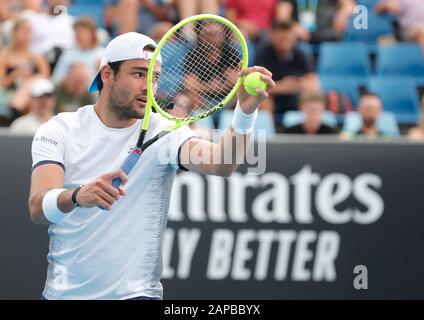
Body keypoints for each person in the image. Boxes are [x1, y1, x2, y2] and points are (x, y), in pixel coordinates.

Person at [28, 32, 275, 300]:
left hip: (137, 295)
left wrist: (245, 114)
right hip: (63, 295)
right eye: (138, 74)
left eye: (154, 77)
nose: (149, 86)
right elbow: (38, 208)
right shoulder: (60, 129)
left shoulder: (166, 132)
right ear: (107, 74)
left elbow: (222, 164)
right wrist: (77, 196)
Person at [254, 20, 319, 117]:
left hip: (295, 96)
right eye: (282, 39)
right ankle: (269, 130)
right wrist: (283, 86)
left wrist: (298, 84)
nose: (285, 42)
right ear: (272, 36)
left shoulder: (301, 54)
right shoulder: (262, 53)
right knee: (263, 98)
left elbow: (313, 81)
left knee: (311, 96)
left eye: (288, 38)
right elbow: (257, 86)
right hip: (272, 97)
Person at [52, 17, 103, 83]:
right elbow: (56, 80)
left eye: (82, 32)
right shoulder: (68, 54)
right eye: (76, 33)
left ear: (92, 33)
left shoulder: (103, 54)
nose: (78, 36)